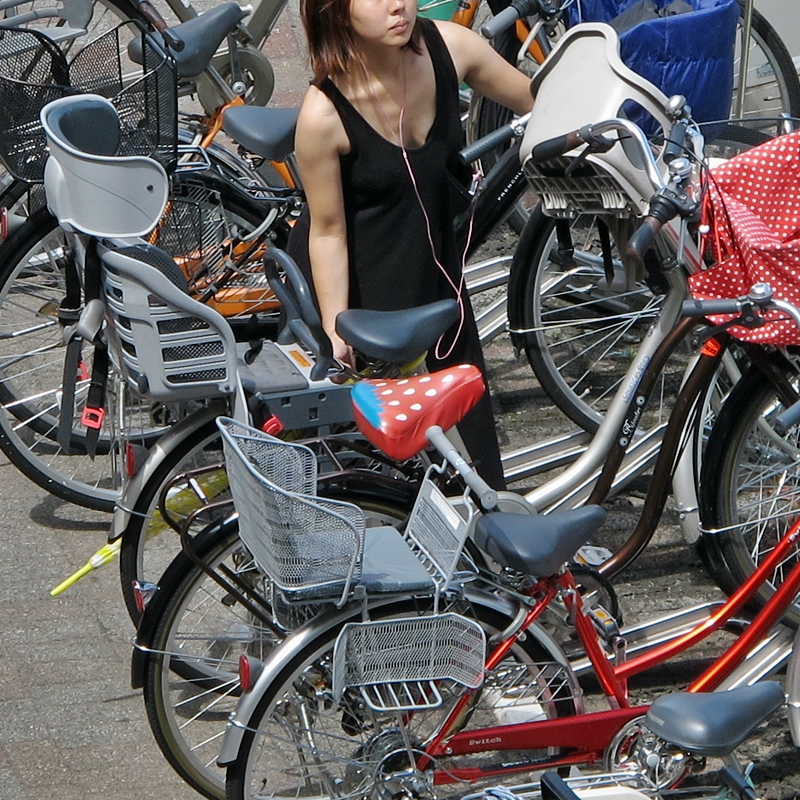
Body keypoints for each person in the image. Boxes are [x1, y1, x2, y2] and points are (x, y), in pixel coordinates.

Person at [288, 0, 533, 490]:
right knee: (380, 474)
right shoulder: (323, 115)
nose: (398, 5)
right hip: (365, 296)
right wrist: (338, 332)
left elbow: (535, 99)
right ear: (336, 11)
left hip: (439, 278)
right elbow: (328, 232)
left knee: (477, 464)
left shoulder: (452, 47)